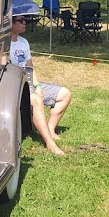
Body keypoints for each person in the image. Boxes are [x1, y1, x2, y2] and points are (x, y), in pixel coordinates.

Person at [9, 13, 72, 156]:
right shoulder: (4, 45)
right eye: (21, 20)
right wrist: (33, 91)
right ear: (11, 24)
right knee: (37, 100)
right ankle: (50, 143)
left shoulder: (24, 42)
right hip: (16, 86)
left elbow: (30, 67)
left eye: (25, 19)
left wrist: (37, 87)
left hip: (29, 82)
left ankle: (50, 129)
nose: (25, 22)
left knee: (65, 94)